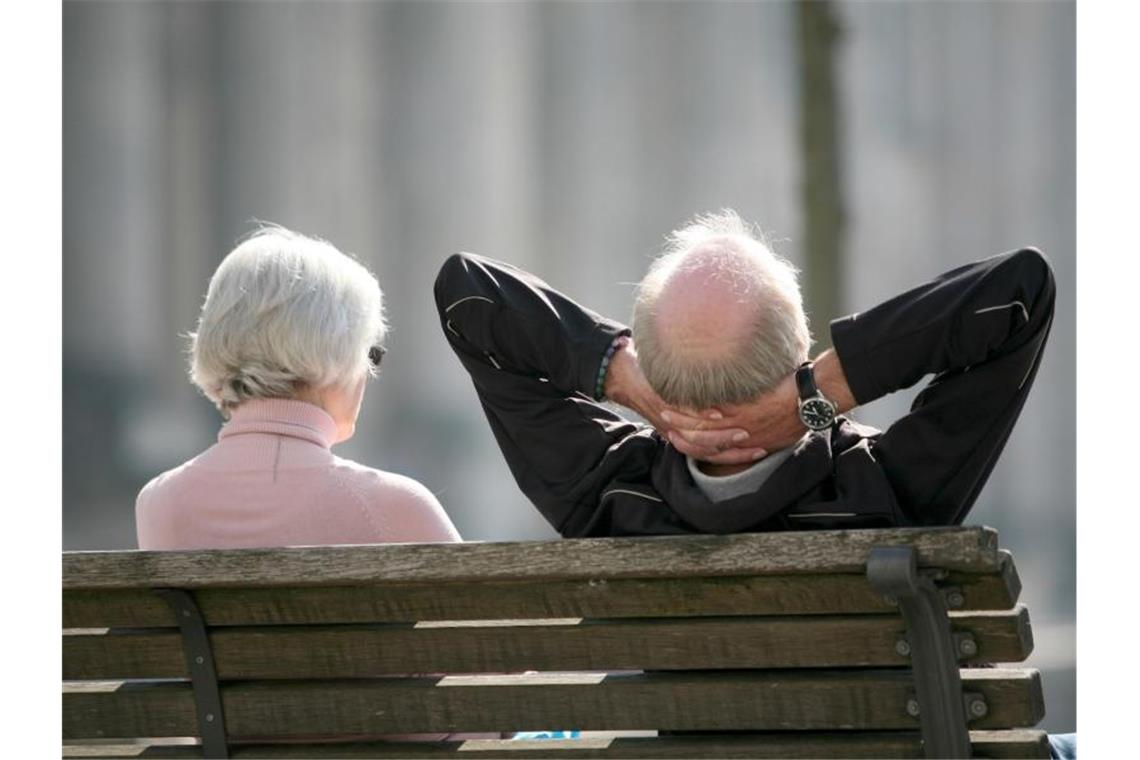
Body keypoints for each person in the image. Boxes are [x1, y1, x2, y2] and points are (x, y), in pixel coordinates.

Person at [433, 209, 1055, 535]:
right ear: (801, 344)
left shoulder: (603, 495)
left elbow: (470, 298)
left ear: (658, 368)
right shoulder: (886, 489)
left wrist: (625, 381)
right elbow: (1020, 293)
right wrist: (819, 396)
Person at [136, 225, 461, 550]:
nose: (368, 374)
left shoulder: (159, 502)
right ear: (339, 351)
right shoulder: (395, 506)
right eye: (370, 354)